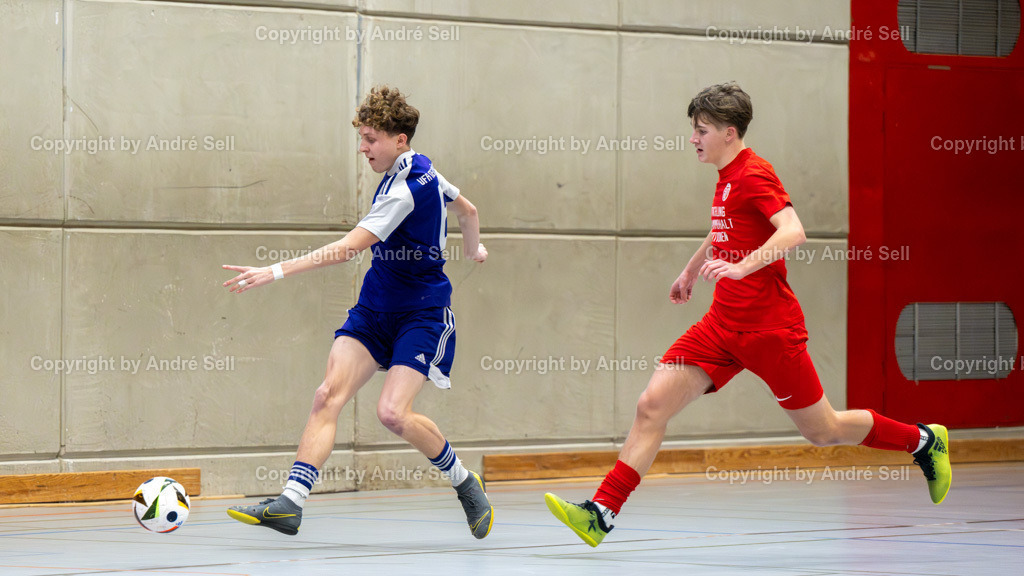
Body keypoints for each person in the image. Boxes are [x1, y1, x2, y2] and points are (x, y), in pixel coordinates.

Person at [544, 82, 951, 547]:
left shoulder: (755, 174)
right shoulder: (726, 175)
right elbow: (723, 227)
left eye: (701, 131)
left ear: (730, 133)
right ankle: (601, 513)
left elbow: (793, 231)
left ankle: (923, 441)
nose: (693, 139)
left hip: (770, 331)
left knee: (825, 430)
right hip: (720, 327)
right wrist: (691, 270)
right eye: (693, 130)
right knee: (651, 405)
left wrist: (741, 266)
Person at [221, 85, 493, 539]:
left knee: (393, 414)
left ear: (399, 140)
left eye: (371, 139)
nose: (363, 148)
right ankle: (291, 502)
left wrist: (275, 271)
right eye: (361, 137)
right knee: (327, 394)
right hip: (375, 308)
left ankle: (465, 482)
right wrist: (474, 249)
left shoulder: (404, 190)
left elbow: (347, 250)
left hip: (422, 315)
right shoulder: (421, 167)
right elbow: (468, 210)